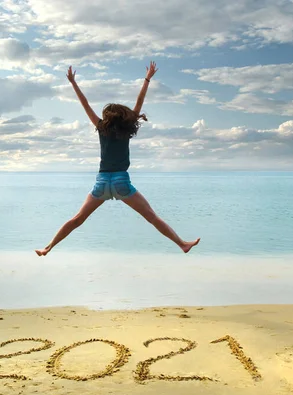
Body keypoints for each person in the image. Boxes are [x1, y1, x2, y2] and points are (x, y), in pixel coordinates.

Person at [35, 62, 200, 256]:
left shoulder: (101, 128)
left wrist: (73, 83)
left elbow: (85, 104)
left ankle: (48, 247)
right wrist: (147, 79)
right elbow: (139, 102)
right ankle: (181, 244)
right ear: (124, 117)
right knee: (152, 217)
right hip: (122, 182)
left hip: (102, 183)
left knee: (77, 219)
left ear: (106, 118)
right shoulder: (127, 128)